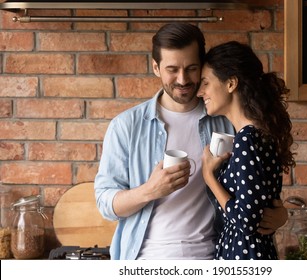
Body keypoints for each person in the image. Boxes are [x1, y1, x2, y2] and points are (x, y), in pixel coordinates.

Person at [94, 23, 287, 260]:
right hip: (145, 259)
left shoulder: (226, 122)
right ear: (156, 68)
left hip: (214, 257)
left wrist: (280, 215)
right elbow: (105, 203)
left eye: (192, 68)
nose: (183, 79)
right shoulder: (126, 126)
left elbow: (254, 189)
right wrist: (149, 191)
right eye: (172, 69)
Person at [197, 41, 295, 260]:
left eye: (206, 83)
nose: (200, 92)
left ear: (231, 83)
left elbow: (245, 221)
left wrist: (209, 177)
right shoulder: (257, 134)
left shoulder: (247, 138)